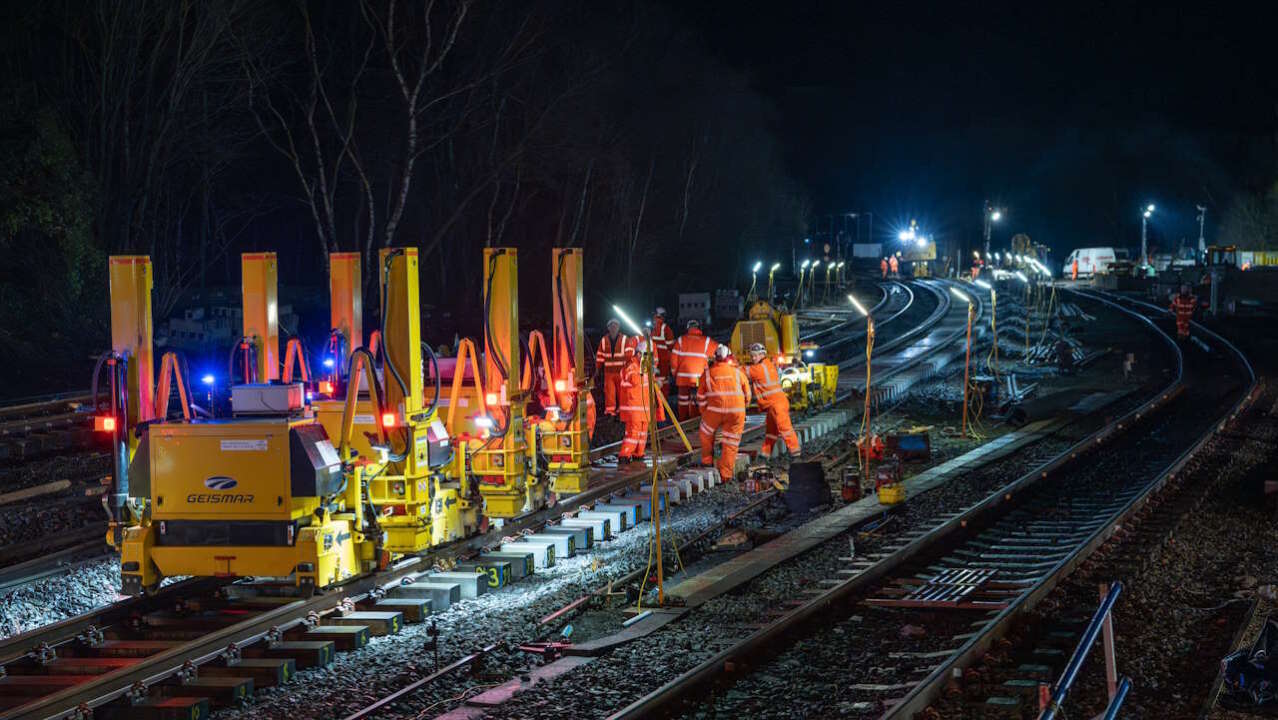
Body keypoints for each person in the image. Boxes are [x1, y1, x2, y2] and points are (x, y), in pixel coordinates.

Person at [698, 345, 751, 481]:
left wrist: (705, 413)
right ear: (729, 358)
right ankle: (726, 475)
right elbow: (748, 395)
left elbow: (701, 397)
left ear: (715, 358)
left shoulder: (708, 374)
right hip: (736, 412)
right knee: (731, 442)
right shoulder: (738, 373)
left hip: (714, 412)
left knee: (706, 432)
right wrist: (742, 409)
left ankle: (707, 461)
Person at [744, 343, 800, 458]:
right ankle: (766, 454)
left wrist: (728, 365)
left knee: (785, 429)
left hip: (776, 404)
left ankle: (796, 453)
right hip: (774, 404)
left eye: (755, 355)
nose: (753, 358)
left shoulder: (759, 369)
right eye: (752, 356)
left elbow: (743, 371)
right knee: (771, 431)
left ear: (762, 355)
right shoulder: (768, 364)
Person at [672, 319, 717, 419]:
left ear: (688, 328)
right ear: (699, 328)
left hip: (683, 378)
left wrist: (675, 373)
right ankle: (695, 420)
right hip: (699, 377)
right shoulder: (707, 341)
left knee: (683, 400)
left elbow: (674, 359)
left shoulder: (680, 340)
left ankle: (683, 420)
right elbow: (717, 352)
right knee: (698, 398)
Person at [617, 340, 651, 464]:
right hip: (634, 407)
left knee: (643, 432)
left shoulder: (643, 368)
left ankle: (639, 453)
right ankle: (624, 455)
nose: (647, 358)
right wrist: (644, 369)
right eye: (645, 355)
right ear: (638, 354)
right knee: (633, 432)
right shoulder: (632, 367)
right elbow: (635, 381)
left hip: (643, 407)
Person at [595, 318, 633, 415]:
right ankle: (610, 410)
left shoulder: (625, 339)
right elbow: (600, 356)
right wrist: (598, 369)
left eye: (615, 326)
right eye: (611, 326)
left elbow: (630, 354)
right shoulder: (604, 340)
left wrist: (628, 368)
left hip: (621, 371)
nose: (613, 328)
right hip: (608, 372)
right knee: (609, 392)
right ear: (608, 328)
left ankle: (622, 409)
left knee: (622, 392)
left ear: (618, 327)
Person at [650, 307, 675, 394]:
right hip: (663, 361)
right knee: (664, 384)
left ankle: (655, 403)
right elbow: (671, 346)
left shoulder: (652, 328)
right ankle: (662, 404)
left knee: (653, 381)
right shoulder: (667, 329)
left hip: (653, 360)